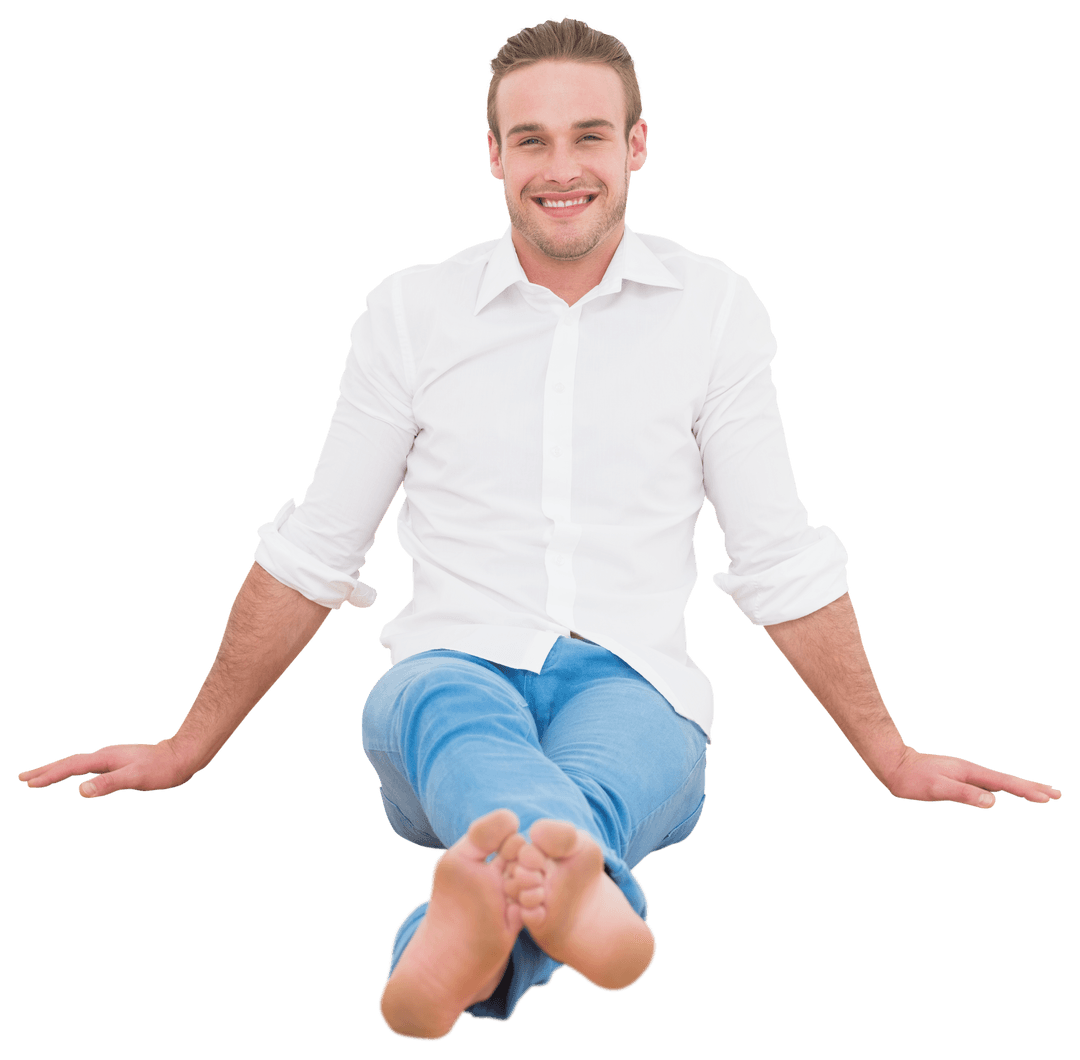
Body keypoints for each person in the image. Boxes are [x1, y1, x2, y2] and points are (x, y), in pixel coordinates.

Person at [18, 16, 1061, 1043]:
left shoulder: (713, 309)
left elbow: (777, 556)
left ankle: (449, 949)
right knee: (461, 723)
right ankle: (590, 907)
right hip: (449, 673)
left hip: (635, 681)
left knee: (617, 763)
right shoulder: (412, 314)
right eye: (531, 140)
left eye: (589, 136)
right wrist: (186, 745)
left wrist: (890, 752)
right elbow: (315, 553)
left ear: (636, 145)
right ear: (494, 155)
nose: (561, 168)